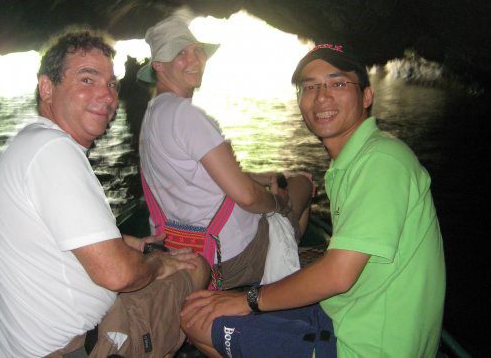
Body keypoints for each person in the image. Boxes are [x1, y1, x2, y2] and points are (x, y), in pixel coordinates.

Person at [180, 43, 446, 357]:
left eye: (338, 83)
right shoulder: (356, 160)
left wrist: (247, 299)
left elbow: (338, 274)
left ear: (367, 97)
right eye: (310, 87)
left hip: (371, 345)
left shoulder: (382, 162)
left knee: (197, 323)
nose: (322, 96)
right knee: (198, 310)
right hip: (347, 312)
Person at [0, 29, 210, 357]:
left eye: (112, 83)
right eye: (87, 79)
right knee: (196, 267)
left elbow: (51, 237)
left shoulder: (28, 143)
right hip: (77, 347)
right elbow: (119, 274)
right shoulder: (54, 151)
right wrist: (156, 264)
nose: (107, 95)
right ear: (46, 88)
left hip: (3, 346)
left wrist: (124, 243)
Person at [137, 10, 313, 290]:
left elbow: (199, 175)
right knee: (302, 183)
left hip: (188, 249)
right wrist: (279, 204)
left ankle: (283, 253)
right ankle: (283, 267)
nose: (194, 60)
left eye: (197, 50)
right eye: (181, 53)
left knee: (277, 189)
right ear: (158, 65)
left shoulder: (153, 115)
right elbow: (245, 196)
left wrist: (258, 177)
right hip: (231, 258)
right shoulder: (186, 116)